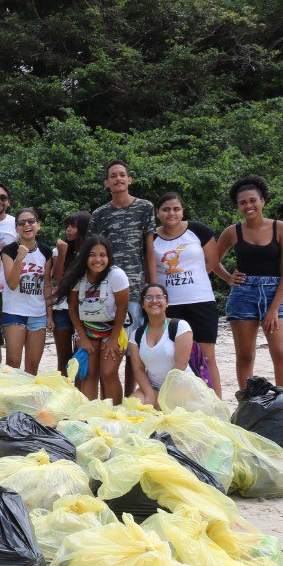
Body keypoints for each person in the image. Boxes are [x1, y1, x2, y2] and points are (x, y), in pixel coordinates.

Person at [217, 175, 283, 389]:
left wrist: (274, 308)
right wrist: (228, 277)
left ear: (263, 201)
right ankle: (247, 406)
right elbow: (212, 260)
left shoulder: (281, 228)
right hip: (243, 295)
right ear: (237, 207)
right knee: (245, 356)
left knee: (281, 352)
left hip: (275, 293)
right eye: (242, 203)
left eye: (252, 200)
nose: (248, 206)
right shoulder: (233, 231)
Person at [146, 191, 222, 395]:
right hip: (170, 306)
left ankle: (216, 406)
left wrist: (193, 278)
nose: (171, 213)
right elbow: (150, 273)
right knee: (176, 359)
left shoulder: (198, 230)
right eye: (166, 209)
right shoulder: (151, 237)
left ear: (182, 211)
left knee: (207, 358)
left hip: (201, 301)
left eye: (176, 209)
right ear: (158, 213)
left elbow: (212, 262)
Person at [90, 160, 155, 394]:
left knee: (132, 347)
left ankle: (129, 395)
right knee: (110, 346)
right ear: (106, 183)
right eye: (113, 176)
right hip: (106, 291)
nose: (118, 179)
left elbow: (149, 250)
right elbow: (93, 254)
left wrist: (152, 286)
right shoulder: (100, 214)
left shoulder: (145, 208)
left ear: (130, 179)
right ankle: (109, 396)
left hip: (136, 288)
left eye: (122, 175)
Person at [55, 235, 130, 403]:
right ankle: (88, 415)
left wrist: (113, 338)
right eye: (92, 255)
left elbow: (122, 308)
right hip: (88, 331)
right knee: (89, 373)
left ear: (109, 257)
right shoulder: (78, 277)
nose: (98, 259)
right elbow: (72, 308)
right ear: (85, 257)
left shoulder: (116, 275)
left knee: (109, 373)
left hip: (113, 329)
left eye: (102, 255)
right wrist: (83, 337)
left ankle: (115, 413)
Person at [0, 208, 52, 374]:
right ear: (16, 228)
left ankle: (27, 399)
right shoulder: (8, 250)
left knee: (33, 365)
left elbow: (47, 284)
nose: (27, 225)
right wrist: (20, 258)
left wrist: (49, 314)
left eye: (31, 221)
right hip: (14, 311)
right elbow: (12, 283)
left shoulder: (45, 251)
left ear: (38, 225)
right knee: (13, 363)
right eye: (21, 223)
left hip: (38, 312)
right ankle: (10, 398)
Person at [129, 283, 194, 407]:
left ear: (167, 303)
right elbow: (138, 369)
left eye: (159, 297)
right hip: (153, 387)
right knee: (132, 407)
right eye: (148, 297)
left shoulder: (180, 326)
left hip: (180, 386)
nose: (154, 301)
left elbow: (181, 364)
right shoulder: (136, 335)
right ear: (142, 304)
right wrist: (150, 394)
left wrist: (164, 396)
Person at [51, 212, 90, 376]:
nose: (68, 230)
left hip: (85, 308)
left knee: (81, 356)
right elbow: (57, 277)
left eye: (73, 226)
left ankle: (80, 393)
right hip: (62, 307)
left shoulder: (92, 252)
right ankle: (65, 393)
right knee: (63, 357)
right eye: (67, 226)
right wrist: (62, 253)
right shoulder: (59, 249)